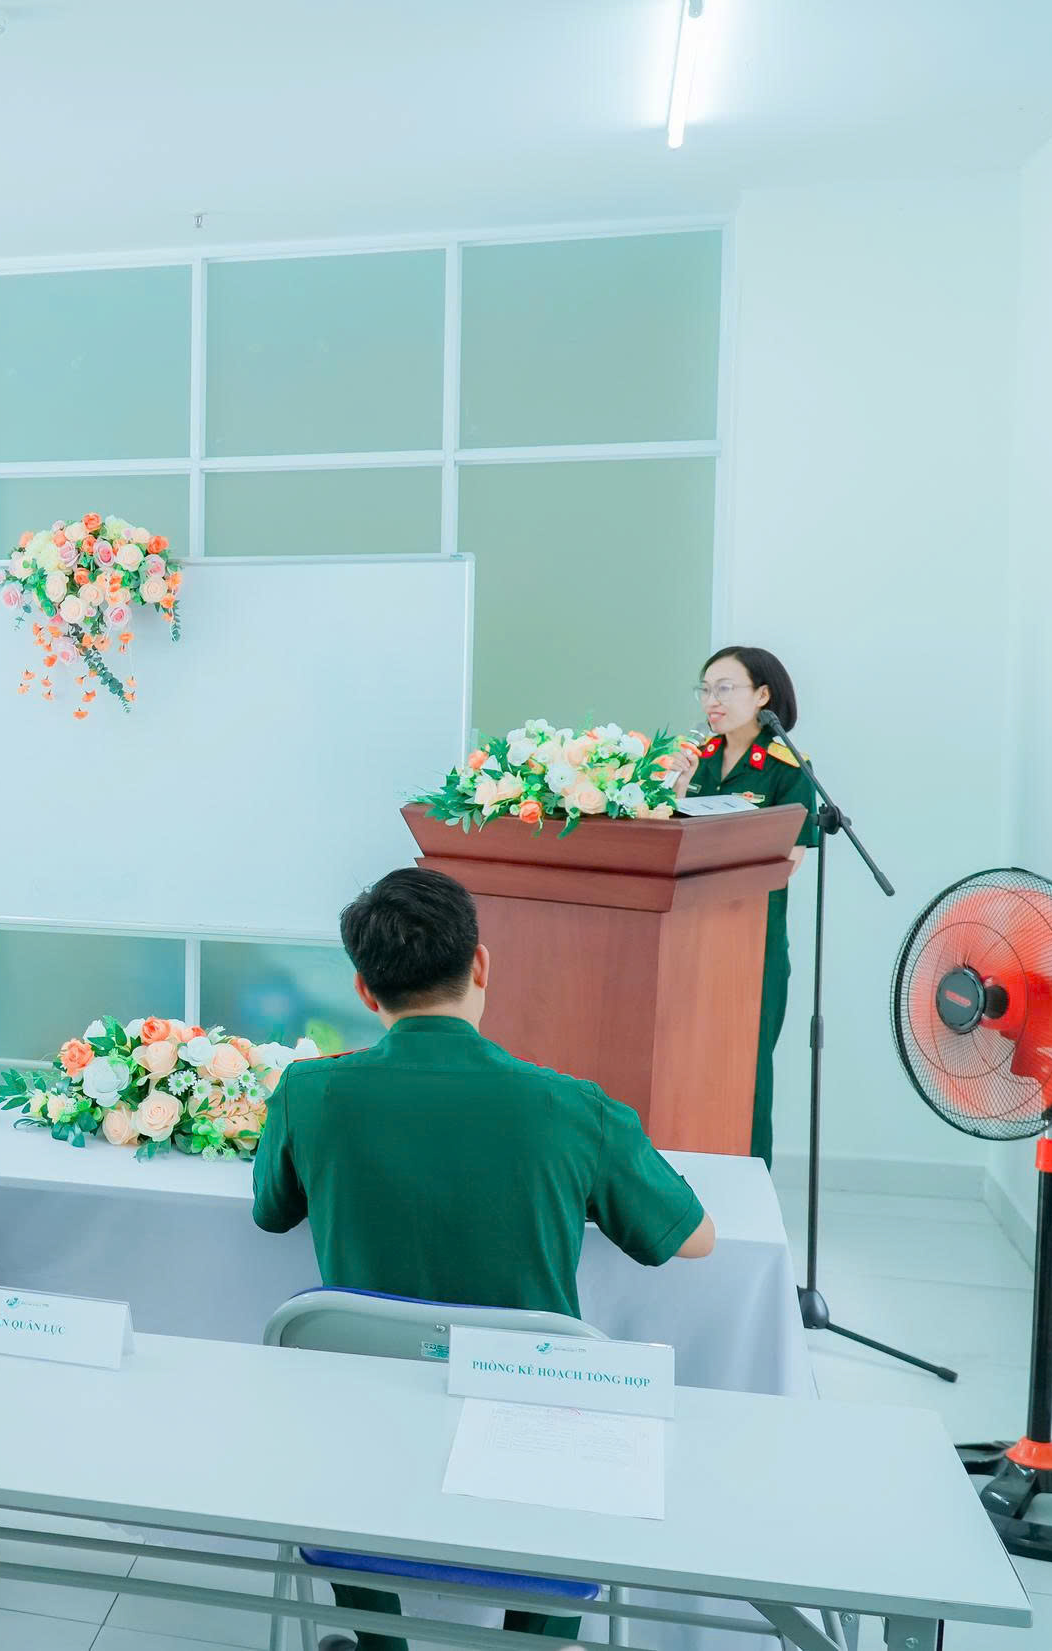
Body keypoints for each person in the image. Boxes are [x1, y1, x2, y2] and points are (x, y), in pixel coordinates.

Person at [252, 867, 715, 1651]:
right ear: (481, 964)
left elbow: (270, 1211)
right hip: (535, 1459)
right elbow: (693, 1236)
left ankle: (378, 1641)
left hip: (357, 1458)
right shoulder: (572, 1106)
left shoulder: (308, 1091)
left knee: (340, 1410)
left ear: (365, 989)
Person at [666, 645, 816, 1166]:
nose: (712, 700)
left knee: (747, 1069)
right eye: (705, 689)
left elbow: (788, 860)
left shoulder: (786, 767)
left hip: (752, 942)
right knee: (685, 1062)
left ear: (762, 695)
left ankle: (750, 1181)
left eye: (725, 688)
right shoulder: (698, 758)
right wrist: (675, 788)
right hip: (690, 937)